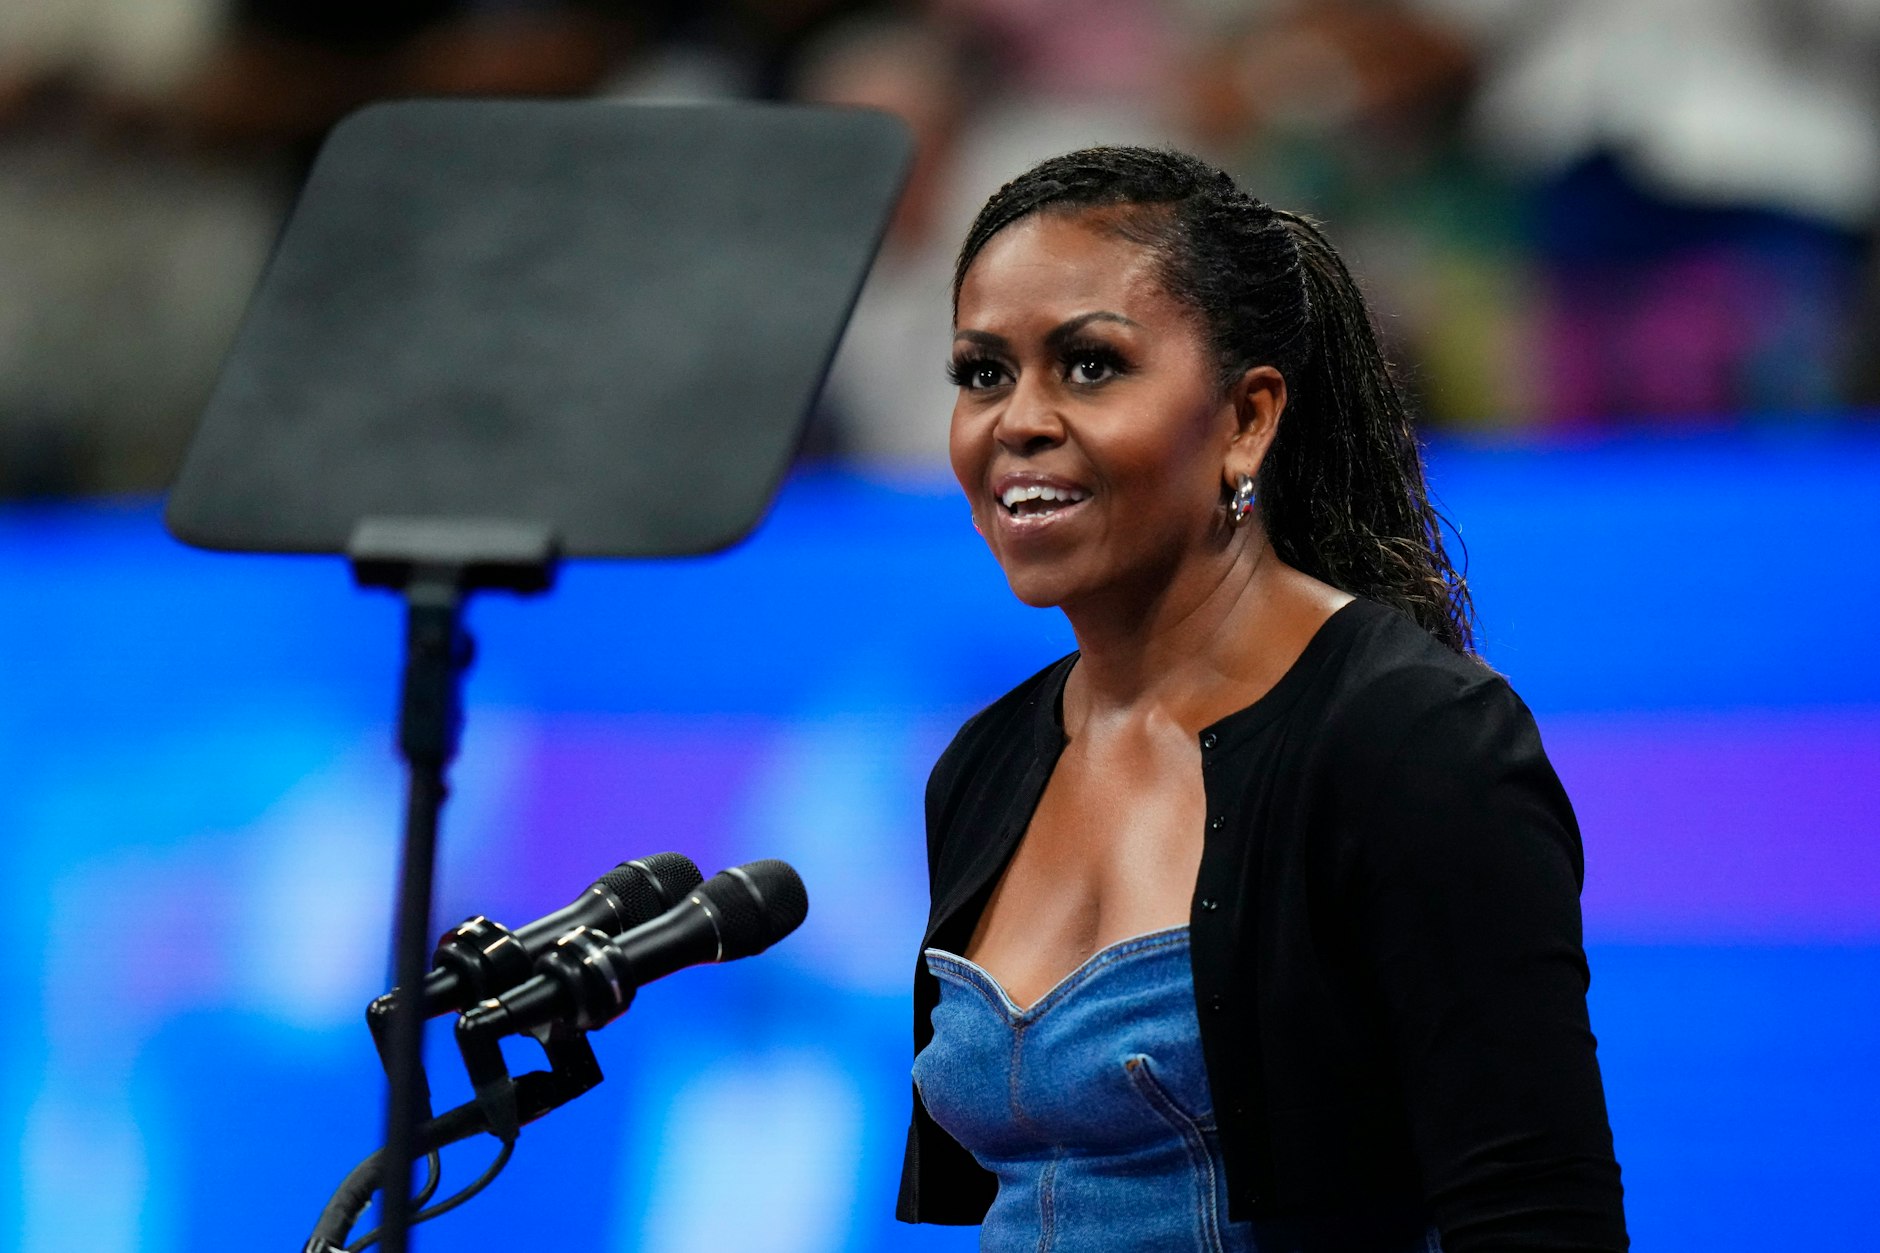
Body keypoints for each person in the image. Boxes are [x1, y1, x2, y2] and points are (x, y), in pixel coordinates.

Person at [897, 147, 1627, 1252]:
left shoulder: (1408, 738)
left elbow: (1535, 1213)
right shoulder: (985, 762)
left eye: (1089, 365)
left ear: (1246, 415)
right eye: (981, 372)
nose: (1017, 421)